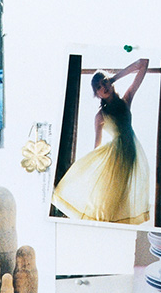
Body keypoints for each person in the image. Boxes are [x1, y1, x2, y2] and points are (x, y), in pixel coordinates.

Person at [50, 59, 151, 225]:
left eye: (104, 82)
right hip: (115, 158)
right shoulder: (100, 116)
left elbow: (143, 63)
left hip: (131, 156)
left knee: (120, 204)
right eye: (98, 87)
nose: (103, 87)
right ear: (96, 94)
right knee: (108, 206)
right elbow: (96, 145)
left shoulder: (126, 101)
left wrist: (114, 78)